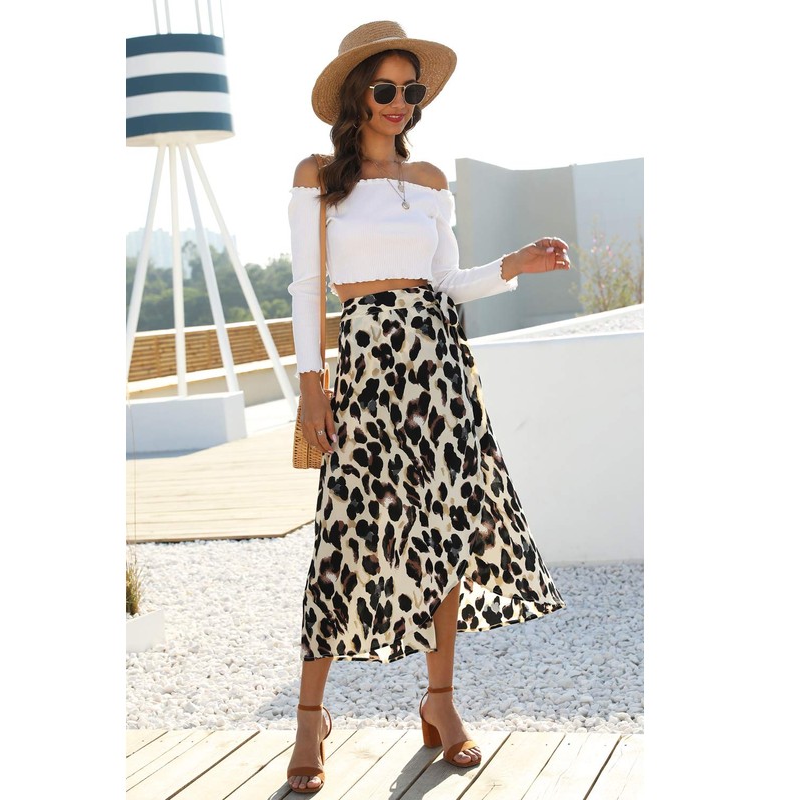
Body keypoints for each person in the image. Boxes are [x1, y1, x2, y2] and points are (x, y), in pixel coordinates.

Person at [285, 20, 568, 793]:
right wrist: (311, 384)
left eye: (411, 89)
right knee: (344, 537)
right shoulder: (319, 176)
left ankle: (439, 702)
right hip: (367, 371)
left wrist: (512, 264)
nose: (399, 101)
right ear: (357, 94)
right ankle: (310, 717)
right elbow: (308, 288)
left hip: (439, 370)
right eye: (385, 87)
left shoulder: (432, 180)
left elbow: (445, 283)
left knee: (445, 533)